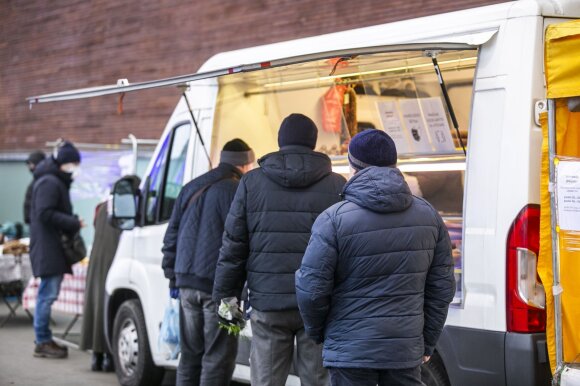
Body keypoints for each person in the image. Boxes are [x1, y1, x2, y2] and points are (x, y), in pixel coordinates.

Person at [295, 129, 456, 386]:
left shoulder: (333, 219)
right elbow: (442, 288)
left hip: (350, 351)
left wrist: (319, 333)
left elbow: (311, 288)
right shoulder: (429, 216)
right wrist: (427, 342)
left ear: (353, 166)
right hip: (404, 350)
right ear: (394, 164)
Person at [213, 114, 346, 386]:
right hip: (318, 304)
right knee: (318, 381)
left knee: (266, 380)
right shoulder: (336, 185)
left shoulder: (252, 183)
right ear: (313, 142)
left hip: (268, 302)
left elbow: (234, 245)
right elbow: (347, 249)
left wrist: (226, 295)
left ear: (280, 141)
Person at [162, 139, 255, 386]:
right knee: (220, 356)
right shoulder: (240, 190)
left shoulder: (191, 187)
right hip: (225, 293)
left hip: (186, 286)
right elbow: (244, 242)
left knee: (190, 355)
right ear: (245, 165)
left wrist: (173, 277)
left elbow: (171, 236)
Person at [80, 175, 140, 372]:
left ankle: (96, 358)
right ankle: (109, 358)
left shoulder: (102, 207)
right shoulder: (131, 208)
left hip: (97, 264)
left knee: (96, 308)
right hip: (116, 262)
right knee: (112, 310)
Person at [29, 141, 83, 359]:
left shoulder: (51, 180)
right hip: (48, 248)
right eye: (74, 164)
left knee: (47, 295)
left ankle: (43, 339)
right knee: (47, 296)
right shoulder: (50, 182)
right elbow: (45, 213)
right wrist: (73, 222)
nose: (75, 168)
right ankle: (42, 340)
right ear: (66, 163)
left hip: (49, 247)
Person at [24, 150, 46, 225]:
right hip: (33, 222)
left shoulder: (43, 181)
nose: (29, 167)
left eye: (31, 164)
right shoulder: (36, 181)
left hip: (38, 223)